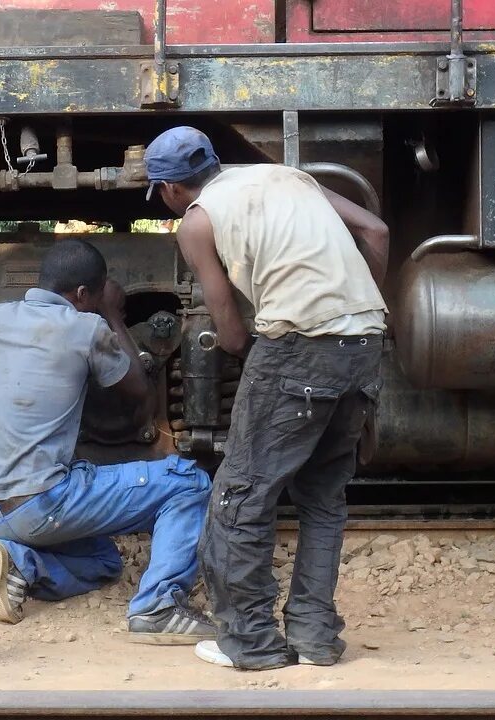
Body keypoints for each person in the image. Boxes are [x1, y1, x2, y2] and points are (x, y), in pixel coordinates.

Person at [145, 127, 389, 669]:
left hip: (298, 344)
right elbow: (375, 232)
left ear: (169, 189)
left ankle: (251, 644)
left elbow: (229, 332)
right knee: (323, 498)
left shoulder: (197, 220)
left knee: (240, 499)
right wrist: (353, 317)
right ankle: (314, 638)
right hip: (366, 340)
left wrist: (258, 350)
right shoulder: (290, 176)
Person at [0, 238, 216, 645]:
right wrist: (113, 315)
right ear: (83, 294)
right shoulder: (85, 327)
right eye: (96, 296)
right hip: (42, 503)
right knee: (189, 482)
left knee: (104, 562)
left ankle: (21, 563)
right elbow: (138, 388)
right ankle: (159, 607)